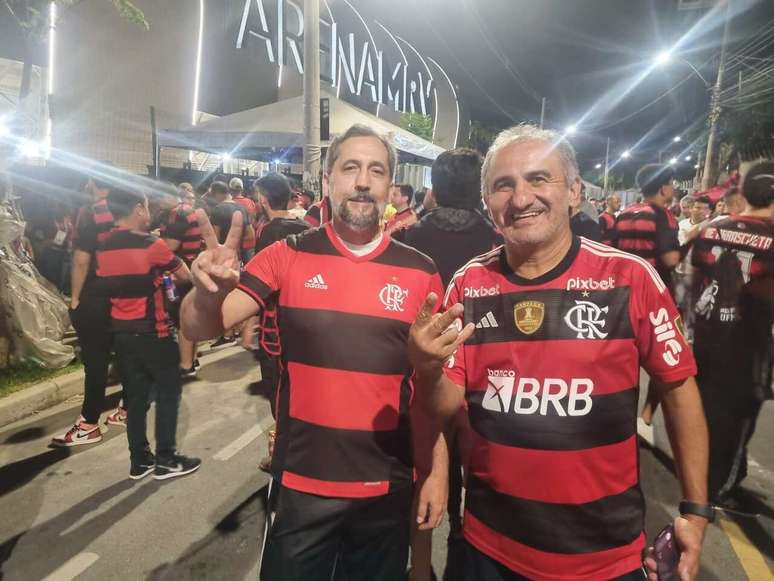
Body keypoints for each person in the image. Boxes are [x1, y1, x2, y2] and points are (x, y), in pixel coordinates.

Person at [408, 124, 710, 581]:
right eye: (503, 185)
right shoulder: (468, 285)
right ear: (488, 203)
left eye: (538, 179)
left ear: (573, 192)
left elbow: (678, 387)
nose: (521, 198)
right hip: (488, 548)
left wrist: (695, 509)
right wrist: (426, 367)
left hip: (603, 558)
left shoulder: (628, 278)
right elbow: (446, 404)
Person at [181, 124, 447, 581]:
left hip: (386, 486)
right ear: (328, 182)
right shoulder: (287, 255)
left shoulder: (421, 274)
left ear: (389, 186)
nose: (363, 180)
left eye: (376, 170)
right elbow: (201, 325)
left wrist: (435, 472)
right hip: (302, 484)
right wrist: (206, 291)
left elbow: (432, 390)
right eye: (350, 168)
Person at [95, 187, 200, 480]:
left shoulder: (104, 245)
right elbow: (185, 275)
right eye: (145, 207)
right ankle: (166, 459)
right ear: (138, 209)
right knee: (169, 392)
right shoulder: (151, 244)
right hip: (154, 330)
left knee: (136, 398)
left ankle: (139, 460)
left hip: (122, 332)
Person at [691, 160, 773, 506]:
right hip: (747, 343)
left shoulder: (712, 228)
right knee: (736, 420)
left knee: (704, 409)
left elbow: (696, 281)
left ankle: (699, 475)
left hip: (707, 334)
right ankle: (714, 490)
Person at [52, 176, 125, 446]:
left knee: (95, 362)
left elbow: (81, 261)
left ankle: (89, 424)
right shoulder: (130, 209)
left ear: (94, 182)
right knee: (125, 353)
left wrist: (74, 300)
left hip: (96, 295)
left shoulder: (90, 212)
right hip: (126, 297)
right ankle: (127, 409)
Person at [612, 164, 681, 427]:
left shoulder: (624, 214)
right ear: (664, 187)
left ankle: (621, 413)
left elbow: (612, 252)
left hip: (623, 296)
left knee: (624, 358)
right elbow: (671, 259)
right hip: (656, 298)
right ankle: (647, 416)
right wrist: (691, 242)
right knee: (664, 359)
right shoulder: (663, 216)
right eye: (672, 184)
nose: (673, 189)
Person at [158, 183, 203, 377]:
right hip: (191, 268)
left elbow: (171, 245)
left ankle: (185, 366)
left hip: (181, 272)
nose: (158, 203)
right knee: (189, 317)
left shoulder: (178, 214)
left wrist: (154, 241)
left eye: (159, 198)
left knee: (182, 319)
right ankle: (192, 360)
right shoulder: (185, 210)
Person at [230, 177, 257, 260]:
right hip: (250, 241)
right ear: (242, 189)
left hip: (234, 243)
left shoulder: (229, 203)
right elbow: (254, 220)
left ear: (230, 189)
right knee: (249, 269)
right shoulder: (250, 202)